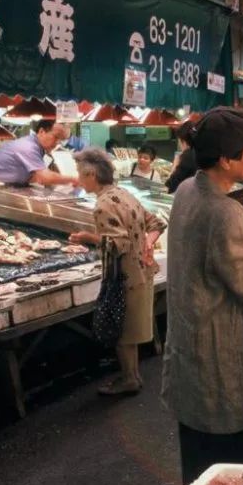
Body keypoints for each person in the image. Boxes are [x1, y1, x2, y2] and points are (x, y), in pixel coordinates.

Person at [162, 106, 243, 485]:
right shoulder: (225, 212)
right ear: (230, 158)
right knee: (235, 480)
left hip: (191, 363)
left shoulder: (186, 190)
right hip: (224, 371)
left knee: (197, 478)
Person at [69, 148, 165, 395]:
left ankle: (129, 379)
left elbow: (117, 244)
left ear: (91, 174)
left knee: (121, 331)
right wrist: (147, 243)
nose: (79, 178)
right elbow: (157, 223)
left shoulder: (102, 205)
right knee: (130, 330)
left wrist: (87, 237)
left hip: (124, 276)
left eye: (80, 173)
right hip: (143, 270)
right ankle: (132, 376)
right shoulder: (125, 194)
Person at [0, 120, 78, 186]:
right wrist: (75, 180)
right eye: (56, 137)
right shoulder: (28, 147)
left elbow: (35, 177)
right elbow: (43, 178)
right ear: (42, 132)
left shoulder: (38, 148)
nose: (57, 143)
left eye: (61, 140)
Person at [165, 121, 198, 193]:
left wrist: (176, 163)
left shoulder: (188, 155)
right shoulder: (202, 152)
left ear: (183, 141)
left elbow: (171, 184)